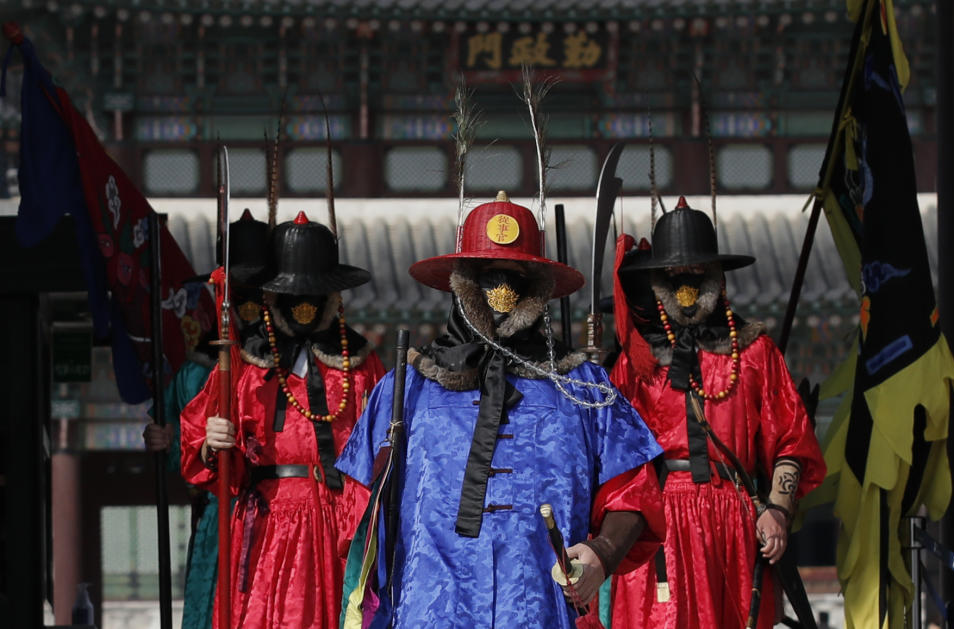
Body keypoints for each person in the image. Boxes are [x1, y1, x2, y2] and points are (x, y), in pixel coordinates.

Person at [336, 191, 665, 628]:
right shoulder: (406, 385)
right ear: (463, 284)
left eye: (516, 277)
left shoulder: (583, 388)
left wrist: (602, 554)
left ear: (538, 290)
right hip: (428, 608)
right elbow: (351, 515)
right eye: (488, 276)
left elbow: (635, 491)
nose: (502, 291)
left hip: (541, 605)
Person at [607, 197, 826, 628]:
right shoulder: (636, 364)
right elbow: (612, 460)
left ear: (716, 276)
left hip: (737, 523)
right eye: (674, 275)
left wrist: (778, 511)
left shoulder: (755, 354)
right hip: (658, 525)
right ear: (656, 281)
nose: (686, 283)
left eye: (697, 272)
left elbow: (791, 442)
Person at [180, 211, 385, 628]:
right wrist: (210, 442)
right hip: (266, 521)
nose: (304, 305)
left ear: (334, 296)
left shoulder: (361, 364)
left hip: (338, 521)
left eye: (314, 293)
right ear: (273, 296)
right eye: (293, 294)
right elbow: (198, 440)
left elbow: (386, 448)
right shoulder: (243, 365)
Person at [143, 209, 272, 629]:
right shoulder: (197, 371)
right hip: (220, 511)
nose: (248, 307)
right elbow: (178, 450)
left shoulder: (296, 367)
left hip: (283, 511)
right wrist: (167, 439)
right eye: (238, 293)